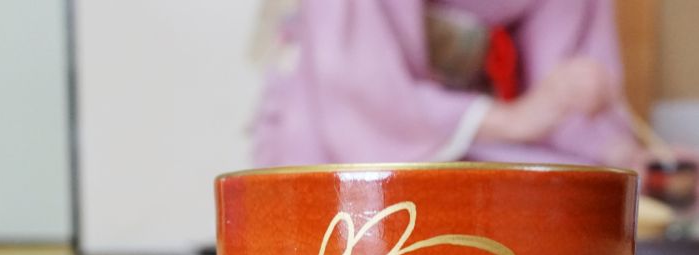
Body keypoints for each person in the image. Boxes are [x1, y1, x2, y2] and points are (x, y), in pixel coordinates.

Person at [250, 0, 646, 170]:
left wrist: (617, 152)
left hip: (464, 137)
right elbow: (359, 84)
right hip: (348, 127)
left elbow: (563, 92)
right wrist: (512, 120)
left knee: (584, 196)